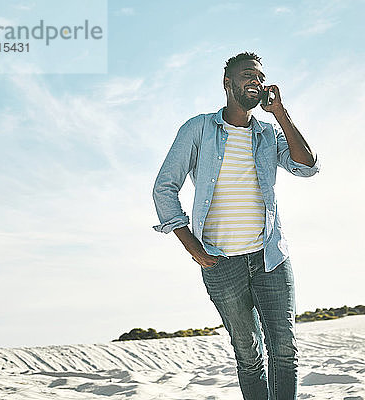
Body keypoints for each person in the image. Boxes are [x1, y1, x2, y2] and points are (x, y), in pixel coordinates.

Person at [152, 52, 320, 400]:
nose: (256, 82)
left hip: (269, 256)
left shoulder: (268, 133)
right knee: (248, 355)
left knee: (284, 351)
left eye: (260, 77)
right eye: (247, 75)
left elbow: (306, 166)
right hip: (220, 261)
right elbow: (164, 187)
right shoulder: (198, 129)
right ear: (227, 83)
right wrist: (189, 243)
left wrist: (281, 114)